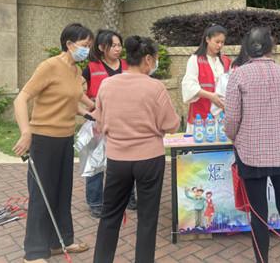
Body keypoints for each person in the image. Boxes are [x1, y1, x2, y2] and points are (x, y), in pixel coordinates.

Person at [225, 27, 280, 263]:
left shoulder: (238, 75)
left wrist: (233, 136)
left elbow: (232, 118)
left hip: (250, 153)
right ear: (270, 47)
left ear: (247, 48)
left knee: (258, 212)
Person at [93, 35, 180, 263]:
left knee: (109, 216)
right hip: (149, 159)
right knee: (147, 219)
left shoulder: (107, 84)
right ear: (148, 59)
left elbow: (99, 122)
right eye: (155, 59)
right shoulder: (155, 87)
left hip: (117, 159)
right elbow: (171, 124)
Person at [13, 23, 93, 263]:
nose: (87, 50)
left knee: (62, 193)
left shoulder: (76, 71)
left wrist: (92, 111)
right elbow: (21, 98)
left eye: (89, 46)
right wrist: (26, 132)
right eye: (84, 45)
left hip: (65, 139)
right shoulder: (49, 66)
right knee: (41, 195)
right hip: (43, 140)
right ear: (69, 44)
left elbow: (72, 99)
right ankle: (34, 252)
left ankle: (61, 242)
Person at [81, 29, 136, 218]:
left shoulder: (128, 65)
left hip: (124, 121)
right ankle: (95, 201)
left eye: (119, 45)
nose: (118, 49)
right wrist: (91, 106)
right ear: (101, 47)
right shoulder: (91, 67)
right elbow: (74, 89)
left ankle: (129, 197)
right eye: (113, 45)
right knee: (95, 162)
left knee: (127, 161)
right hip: (98, 122)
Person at [182, 25, 232, 133]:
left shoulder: (226, 61)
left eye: (222, 42)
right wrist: (210, 96)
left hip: (221, 116)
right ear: (207, 39)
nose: (220, 45)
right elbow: (189, 86)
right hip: (200, 116)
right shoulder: (195, 59)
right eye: (217, 42)